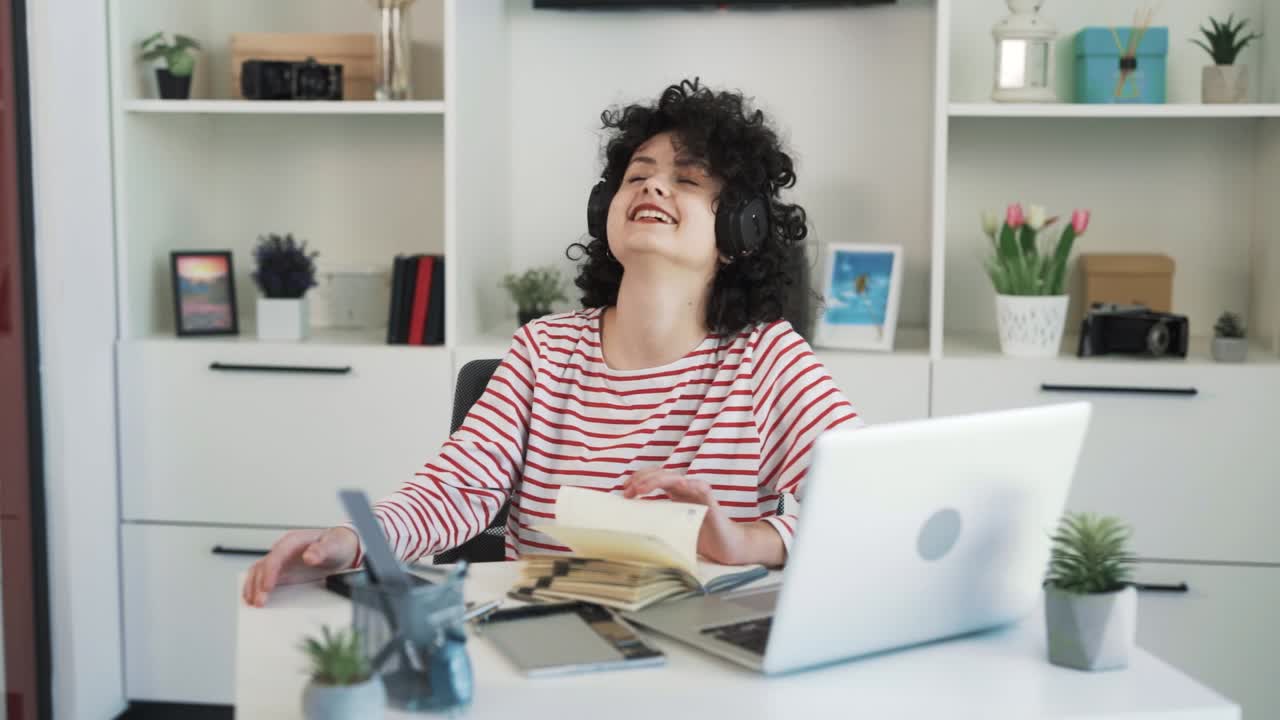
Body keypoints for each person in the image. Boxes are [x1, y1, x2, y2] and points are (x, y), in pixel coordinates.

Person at [243, 78, 861, 608]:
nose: (652, 188)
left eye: (686, 179)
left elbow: (866, 506)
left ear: (740, 229)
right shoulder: (544, 350)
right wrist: (354, 542)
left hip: (702, 642)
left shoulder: (767, 358)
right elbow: (456, 489)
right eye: (637, 175)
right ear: (604, 210)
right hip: (546, 627)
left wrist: (748, 540)